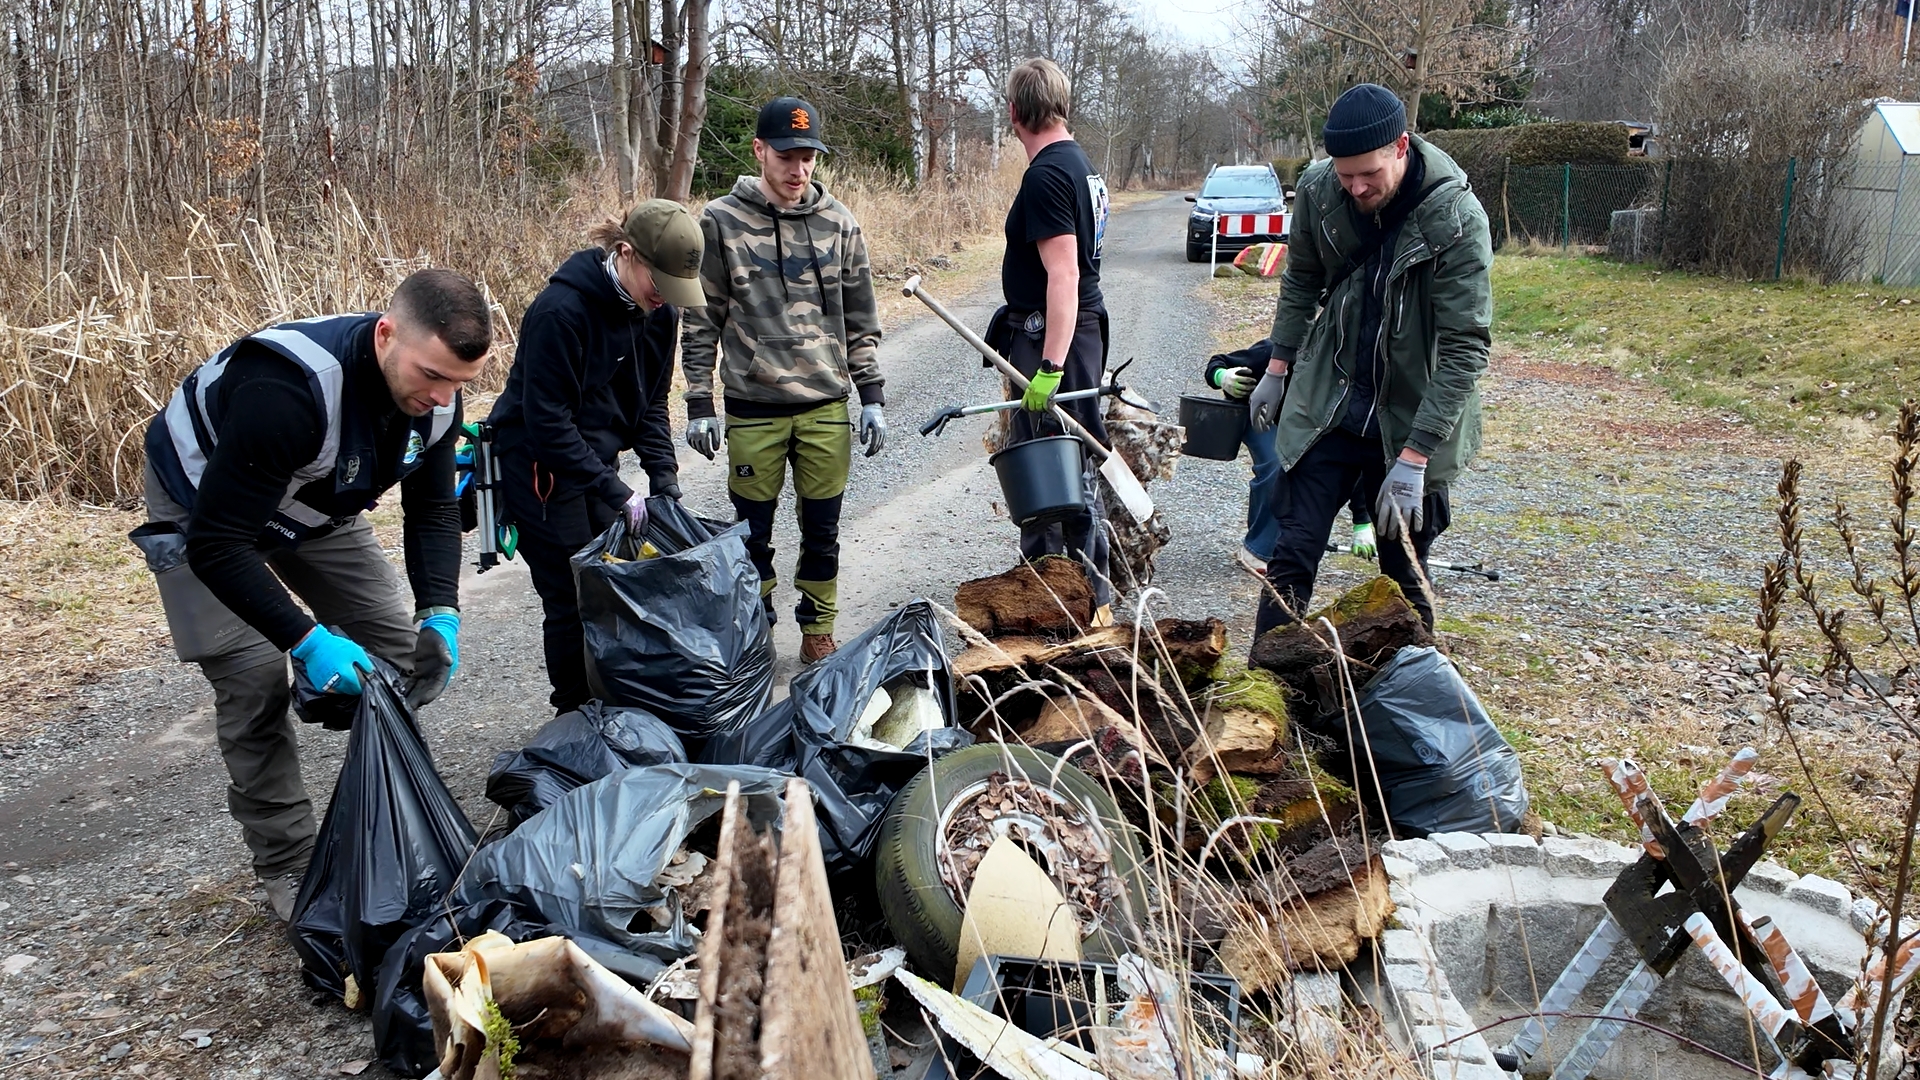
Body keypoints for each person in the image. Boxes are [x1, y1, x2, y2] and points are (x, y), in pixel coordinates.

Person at [132, 269, 493, 919]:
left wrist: (441, 612)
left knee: (403, 657)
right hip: (203, 510)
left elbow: (434, 509)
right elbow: (219, 545)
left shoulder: (439, 397)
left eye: (459, 383)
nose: (444, 397)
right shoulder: (287, 391)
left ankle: (395, 820)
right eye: (432, 376)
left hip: (313, 504)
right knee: (253, 680)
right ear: (386, 336)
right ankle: (289, 860)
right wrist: (305, 639)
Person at [1246, 82, 1492, 641]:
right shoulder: (1318, 191)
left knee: (1402, 571)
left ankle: (1415, 686)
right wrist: (1278, 369)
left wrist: (1416, 457)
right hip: (1331, 403)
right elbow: (1301, 281)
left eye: (1369, 174)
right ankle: (1266, 680)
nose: (1356, 187)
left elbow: (1465, 347)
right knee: (1292, 551)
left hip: (1408, 414)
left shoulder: (1456, 218)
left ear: (1400, 147)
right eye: (1345, 175)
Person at [681, 96, 886, 665]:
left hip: (825, 403)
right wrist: (699, 402)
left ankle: (818, 628)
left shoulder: (840, 223)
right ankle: (758, 627)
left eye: (808, 158)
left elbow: (862, 318)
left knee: (822, 530)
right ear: (759, 151)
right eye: (786, 156)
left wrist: (871, 395)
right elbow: (700, 318)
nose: (799, 170)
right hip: (754, 404)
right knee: (752, 533)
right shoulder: (720, 222)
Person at [487, 200, 704, 713]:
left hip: (594, 462)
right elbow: (547, 422)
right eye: (660, 283)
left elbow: (651, 401)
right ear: (626, 253)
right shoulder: (560, 313)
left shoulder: (659, 313)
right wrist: (617, 491)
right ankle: (574, 716)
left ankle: (614, 702)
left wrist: (664, 476)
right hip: (538, 467)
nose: (664, 297)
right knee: (571, 594)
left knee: (613, 581)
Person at [992, 57, 1114, 623]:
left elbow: (1063, 274)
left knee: (1049, 469)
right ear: (1061, 104)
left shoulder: (1046, 175)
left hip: (1056, 335)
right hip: (1077, 329)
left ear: (1014, 111)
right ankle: (1085, 599)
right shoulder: (1080, 164)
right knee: (1074, 457)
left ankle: (1060, 606)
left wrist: (1049, 367)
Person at [1203, 340, 1375, 576]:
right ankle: (1257, 550)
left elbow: (1357, 455)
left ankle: (1292, 546)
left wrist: (1362, 522)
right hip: (1258, 414)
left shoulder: (1352, 381)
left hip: (1303, 427)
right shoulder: (1281, 352)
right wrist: (1223, 377)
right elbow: (1216, 363)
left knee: (1316, 473)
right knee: (1278, 464)